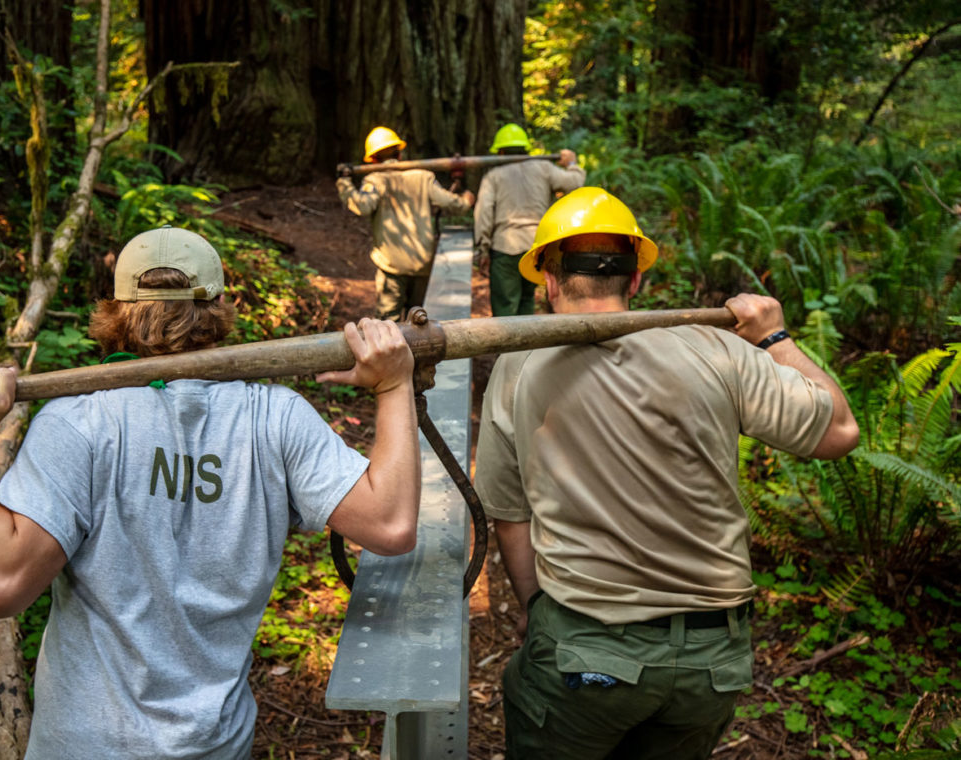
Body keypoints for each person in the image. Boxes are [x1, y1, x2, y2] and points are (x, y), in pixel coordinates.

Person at [0, 226, 422, 759]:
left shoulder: (79, 423)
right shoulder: (274, 417)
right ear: (219, 306)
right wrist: (394, 386)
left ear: (113, 311)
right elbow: (390, 524)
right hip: (215, 745)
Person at [474, 188, 859, 759]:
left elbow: (508, 515)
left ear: (548, 282)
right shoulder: (716, 351)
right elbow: (841, 432)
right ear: (634, 280)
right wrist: (776, 338)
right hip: (712, 662)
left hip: (586, 652)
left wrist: (536, 612)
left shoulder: (517, 364)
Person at [337, 125, 475, 321]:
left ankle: (390, 350)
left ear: (373, 159)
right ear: (400, 153)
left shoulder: (375, 180)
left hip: (391, 264)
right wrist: (466, 201)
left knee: (388, 321)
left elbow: (362, 206)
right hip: (422, 262)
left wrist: (344, 183)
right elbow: (450, 202)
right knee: (416, 319)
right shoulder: (423, 177)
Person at [473, 123, 586, 317]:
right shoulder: (543, 168)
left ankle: (506, 347)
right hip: (536, 247)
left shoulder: (493, 176)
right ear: (526, 148)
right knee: (527, 301)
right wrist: (572, 164)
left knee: (505, 308)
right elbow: (575, 183)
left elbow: (483, 214)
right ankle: (525, 347)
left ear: (500, 152)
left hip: (504, 249)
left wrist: (482, 248)